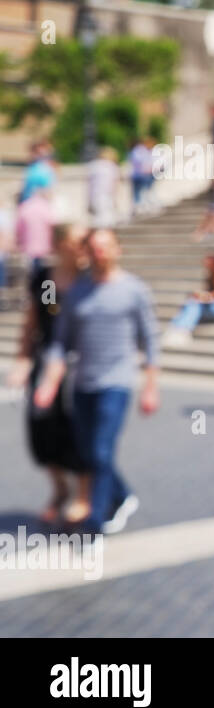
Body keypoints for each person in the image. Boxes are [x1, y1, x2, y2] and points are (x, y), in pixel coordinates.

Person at [34, 228, 160, 535]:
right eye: (94, 248)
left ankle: (96, 521)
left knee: (102, 451)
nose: (100, 253)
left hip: (116, 382)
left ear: (118, 249)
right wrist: (50, 382)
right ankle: (122, 494)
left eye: (106, 246)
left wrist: (151, 386)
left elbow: (150, 340)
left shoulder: (134, 290)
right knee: (88, 452)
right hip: (83, 384)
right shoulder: (78, 291)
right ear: (87, 253)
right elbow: (61, 342)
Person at [6, 223, 90, 525]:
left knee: (78, 429)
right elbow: (33, 323)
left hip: (81, 362)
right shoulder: (46, 280)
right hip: (47, 357)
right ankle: (59, 488)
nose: (81, 247)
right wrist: (23, 359)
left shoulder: (90, 279)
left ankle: (83, 495)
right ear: (60, 244)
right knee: (41, 427)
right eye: (76, 241)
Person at [161, 252, 214, 348]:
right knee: (192, 303)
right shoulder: (211, 274)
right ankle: (176, 328)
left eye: (208, 260)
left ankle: (182, 330)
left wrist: (205, 296)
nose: (205, 262)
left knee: (194, 304)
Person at [86, 147, 120, 228]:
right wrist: (115, 199)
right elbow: (114, 185)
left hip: (95, 196)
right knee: (106, 220)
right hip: (107, 196)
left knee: (97, 220)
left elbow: (89, 185)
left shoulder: (93, 166)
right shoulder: (111, 167)